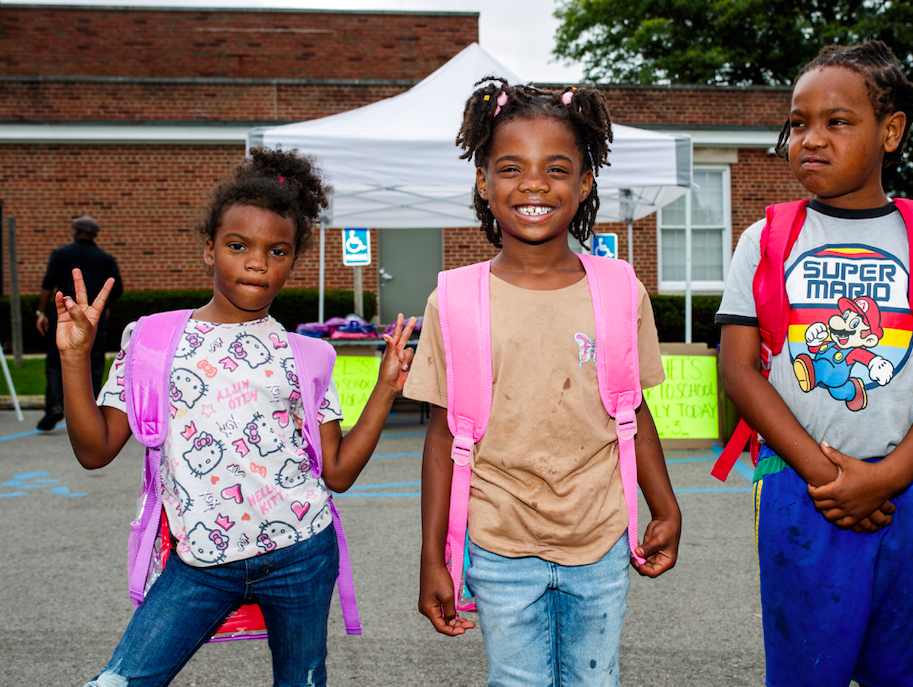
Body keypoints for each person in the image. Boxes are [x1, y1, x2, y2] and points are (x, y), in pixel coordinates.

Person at [58, 146, 416, 687]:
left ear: (293, 261)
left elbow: (337, 473)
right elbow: (94, 450)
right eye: (237, 245)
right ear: (209, 250)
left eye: (278, 251)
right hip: (198, 562)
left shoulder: (310, 355)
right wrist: (73, 357)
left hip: (302, 553)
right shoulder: (153, 338)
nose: (257, 262)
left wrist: (386, 389)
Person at [715, 41, 913, 687]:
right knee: (805, 670)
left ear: (890, 132)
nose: (810, 138)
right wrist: (826, 474)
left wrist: (886, 475)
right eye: (797, 122)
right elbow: (738, 369)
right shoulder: (765, 239)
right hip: (797, 489)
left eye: (835, 122)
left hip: (908, 488)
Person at [406, 79, 682, 687]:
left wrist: (666, 505)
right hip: (498, 540)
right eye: (511, 167)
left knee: (594, 679)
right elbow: (441, 438)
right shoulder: (452, 298)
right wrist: (434, 556)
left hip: (601, 537)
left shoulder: (618, 290)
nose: (533, 183)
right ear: (483, 181)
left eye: (556, 168)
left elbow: (631, 412)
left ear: (585, 183)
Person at [36, 215, 123, 431]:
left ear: (75, 231)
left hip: (65, 323)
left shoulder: (61, 254)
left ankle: (55, 406)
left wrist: (41, 311)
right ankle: (91, 409)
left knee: (55, 364)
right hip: (95, 322)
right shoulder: (106, 258)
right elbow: (117, 288)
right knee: (94, 366)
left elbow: (48, 283)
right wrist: (105, 306)